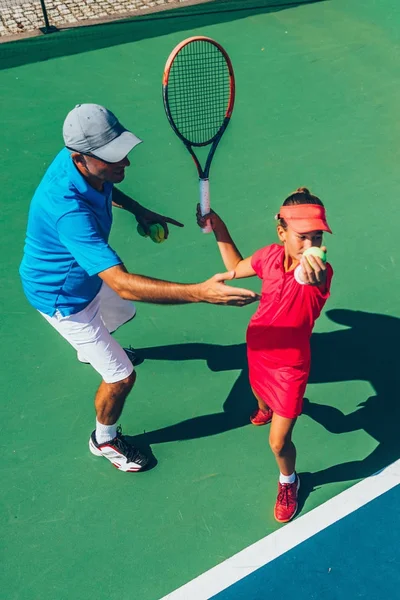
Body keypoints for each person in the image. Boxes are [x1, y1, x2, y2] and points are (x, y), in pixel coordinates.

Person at [19, 103, 259, 474]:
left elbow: (106, 185)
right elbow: (124, 284)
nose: (125, 164)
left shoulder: (80, 158)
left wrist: (140, 210)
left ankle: (92, 349)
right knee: (121, 376)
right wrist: (201, 292)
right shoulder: (67, 209)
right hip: (63, 298)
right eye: (113, 159)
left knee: (122, 314)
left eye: (123, 153)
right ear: (81, 158)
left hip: (86, 279)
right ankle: (104, 440)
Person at [197, 187, 333, 522]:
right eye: (303, 237)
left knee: (278, 443)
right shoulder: (270, 256)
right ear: (282, 233)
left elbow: (312, 282)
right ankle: (265, 408)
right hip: (258, 347)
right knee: (259, 395)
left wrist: (313, 277)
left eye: (316, 237)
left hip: (290, 366)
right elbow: (238, 264)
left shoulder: (318, 273)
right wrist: (218, 226)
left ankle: (290, 480)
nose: (311, 245)